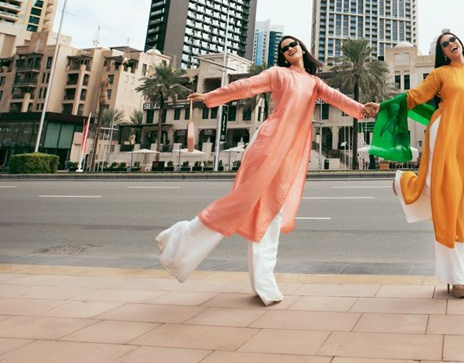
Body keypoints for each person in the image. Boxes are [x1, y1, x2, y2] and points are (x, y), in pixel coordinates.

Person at [156, 36, 371, 305]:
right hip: (268, 145)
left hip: (290, 152)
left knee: (272, 212)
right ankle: (181, 238)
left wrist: (363, 110)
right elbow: (245, 86)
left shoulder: (315, 82)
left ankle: (263, 281)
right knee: (242, 203)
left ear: (302, 48)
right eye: (284, 48)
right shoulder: (278, 74)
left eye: (293, 44)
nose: (290, 49)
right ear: (282, 56)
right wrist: (210, 97)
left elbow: (339, 99)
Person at [367, 32, 464, 299]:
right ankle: (458, 279)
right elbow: (413, 97)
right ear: (442, 52)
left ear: (460, 43)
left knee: (451, 200)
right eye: (444, 44)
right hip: (442, 133)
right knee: (448, 200)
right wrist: (383, 106)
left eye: (453, 40)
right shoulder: (440, 74)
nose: (451, 44)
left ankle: (406, 183)